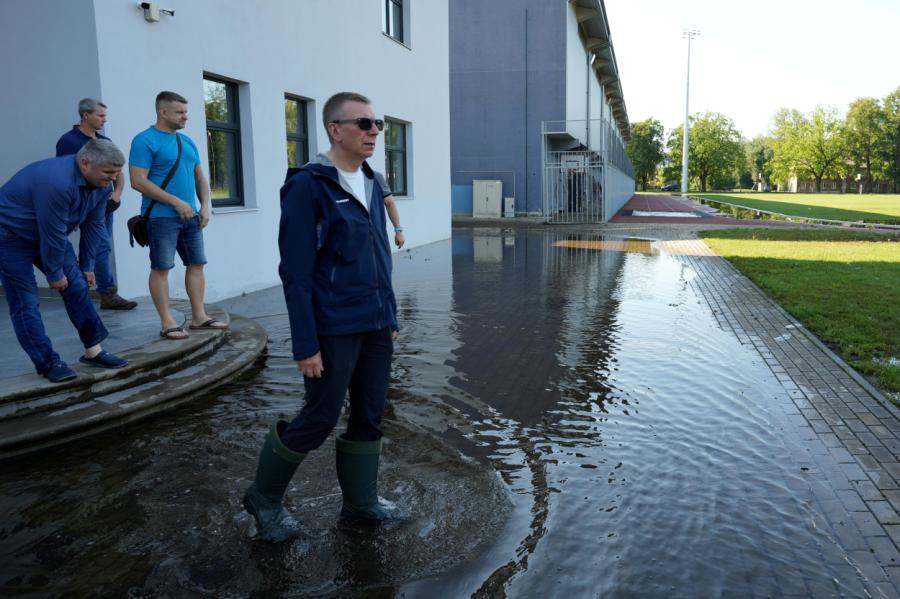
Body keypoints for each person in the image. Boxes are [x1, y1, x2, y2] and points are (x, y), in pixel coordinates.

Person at [244, 92, 404, 542]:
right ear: (336, 129)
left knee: (370, 414)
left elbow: (379, 256)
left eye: (379, 124)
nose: (375, 132)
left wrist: (388, 314)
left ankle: (361, 501)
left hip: (375, 324)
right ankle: (263, 498)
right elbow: (295, 273)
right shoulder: (309, 185)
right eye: (365, 123)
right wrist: (305, 343)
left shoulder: (372, 181)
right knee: (319, 417)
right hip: (332, 326)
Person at [0, 139, 129, 382]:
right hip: (9, 236)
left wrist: (87, 265)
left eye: (117, 173)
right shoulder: (56, 183)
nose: (112, 179)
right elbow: (53, 233)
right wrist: (55, 273)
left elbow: (94, 224)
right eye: (108, 172)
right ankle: (48, 362)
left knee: (78, 286)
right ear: (85, 163)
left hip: (47, 235)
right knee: (26, 301)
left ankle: (94, 351)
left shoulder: (101, 186)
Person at [128, 91, 226, 340]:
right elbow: (137, 181)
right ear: (163, 112)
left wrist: (205, 205)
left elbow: (200, 178)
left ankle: (199, 317)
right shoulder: (144, 141)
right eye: (180, 112)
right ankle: (167, 322)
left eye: (186, 112)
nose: (186, 117)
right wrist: (175, 202)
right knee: (161, 267)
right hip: (161, 217)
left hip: (191, 216)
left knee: (197, 264)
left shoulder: (187, 142)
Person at [56, 98, 137, 310]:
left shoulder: (105, 140)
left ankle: (106, 294)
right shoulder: (68, 141)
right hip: (81, 204)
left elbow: (117, 170)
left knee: (101, 246)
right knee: (93, 246)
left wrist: (117, 194)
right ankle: (92, 291)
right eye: (100, 115)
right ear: (85, 115)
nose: (104, 120)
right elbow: (66, 175)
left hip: (103, 204)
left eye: (104, 116)